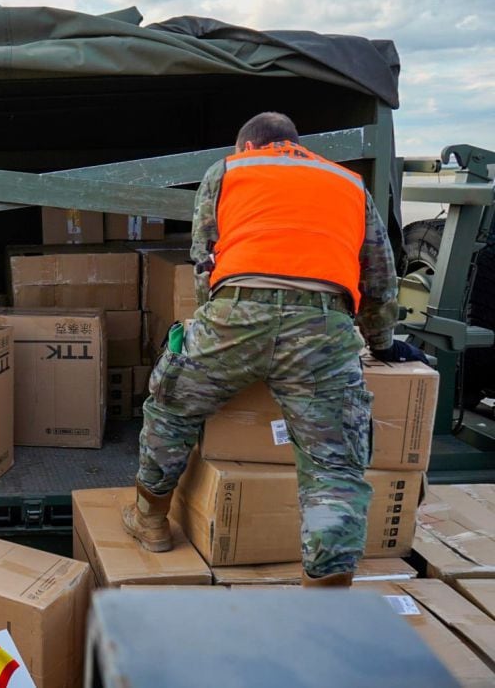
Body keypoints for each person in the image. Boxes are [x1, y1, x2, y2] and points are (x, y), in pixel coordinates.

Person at [123, 112, 427, 588]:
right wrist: (381, 343)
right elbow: (379, 275)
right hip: (324, 322)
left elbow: (204, 257)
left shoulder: (229, 171)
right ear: (294, 145)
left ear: (248, 146)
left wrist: (215, 327)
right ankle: (327, 589)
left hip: (237, 311)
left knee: (172, 406)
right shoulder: (349, 183)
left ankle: (151, 521)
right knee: (334, 462)